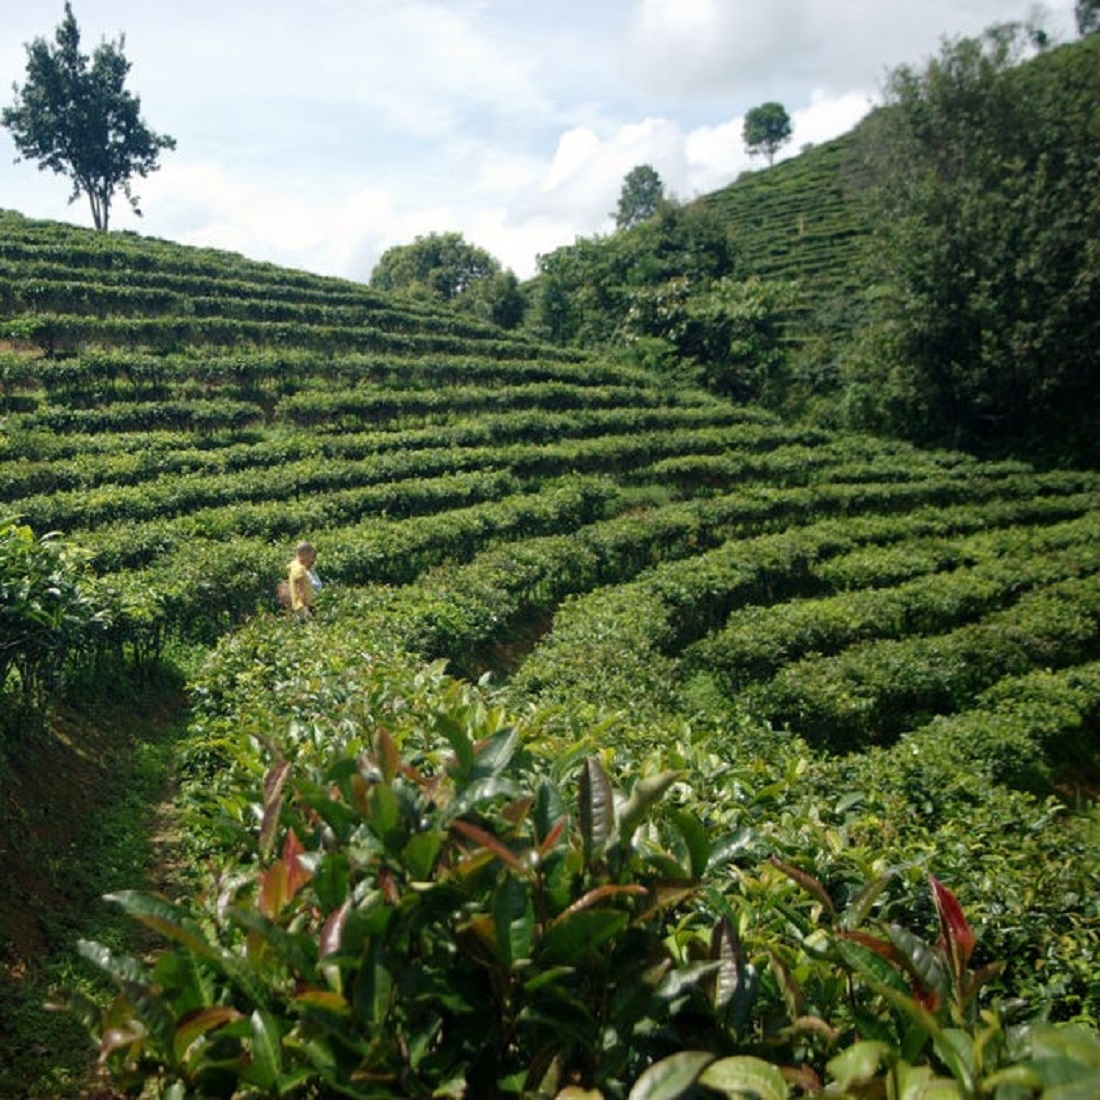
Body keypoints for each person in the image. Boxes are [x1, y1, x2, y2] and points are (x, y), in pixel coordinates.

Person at [286, 541, 321, 616]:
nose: (311, 558)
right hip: (304, 607)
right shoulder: (299, 569)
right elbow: (301, 590)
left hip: (301, 606)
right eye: (310, 554)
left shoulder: (294, 565)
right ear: (304, 554)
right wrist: (306, 608)